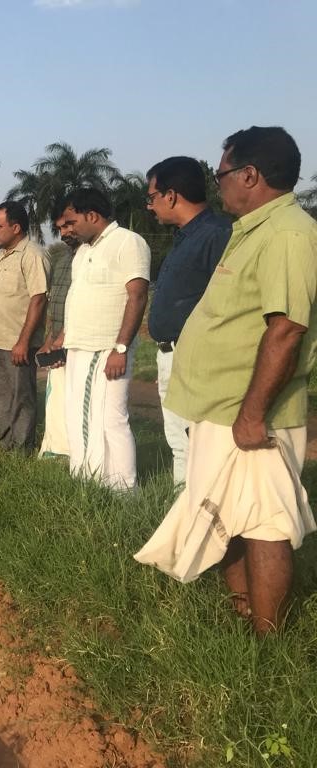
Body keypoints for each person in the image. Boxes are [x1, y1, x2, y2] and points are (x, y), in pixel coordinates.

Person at [135, 126, 317, 635]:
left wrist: (253, 413)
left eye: (222, 174)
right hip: (221, 406)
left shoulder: (288, 234)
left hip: (251, 411)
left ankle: (268, 639)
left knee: (264, 523)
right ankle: (242, 608)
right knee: (228, 511)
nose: (218, 186)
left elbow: (286, 330)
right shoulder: (252, 230)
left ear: (250, 175)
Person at [50, 188, 149, 490]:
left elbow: (138, 295)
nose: (69, 229)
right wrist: (63, 337)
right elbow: (80, 297)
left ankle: (122, 490)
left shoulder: (128, 242)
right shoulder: (84, 251)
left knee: (110, 420)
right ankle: (87, 477)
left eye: (72, 221)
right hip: (79, 345)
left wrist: (120, 348)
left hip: (106, 348)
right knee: (78, 414)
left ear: (92, 216)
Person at [145, 156, 232, 486]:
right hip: (172, 354)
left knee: (201, 445)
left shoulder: (217, 235)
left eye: (151, 198)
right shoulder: (186, 237)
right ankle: (181, 513)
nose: (150, 207)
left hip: (198, 358)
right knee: (179, 442)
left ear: (170, 195)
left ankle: (204, 519)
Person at [0, 201, 49, 454]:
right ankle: (6, 442)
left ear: (16, 227)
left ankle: (22, 449)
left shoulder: (33, 255)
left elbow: (38, 299)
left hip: (16, 343)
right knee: (0, 397)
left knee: (21, 397)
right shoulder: (0, 254)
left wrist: (23, 341)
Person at [37, 202, 77, 459]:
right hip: (57, 341)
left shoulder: (91, 257)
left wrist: (63, 337)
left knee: (75, 401)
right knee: (56, 399)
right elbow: (55, 304)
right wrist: (50, 339)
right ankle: (56, 448)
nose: (64, 233)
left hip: (79, 340)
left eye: (68, 225)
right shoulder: (62, 259)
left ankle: (74, 452)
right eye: (60, 228)